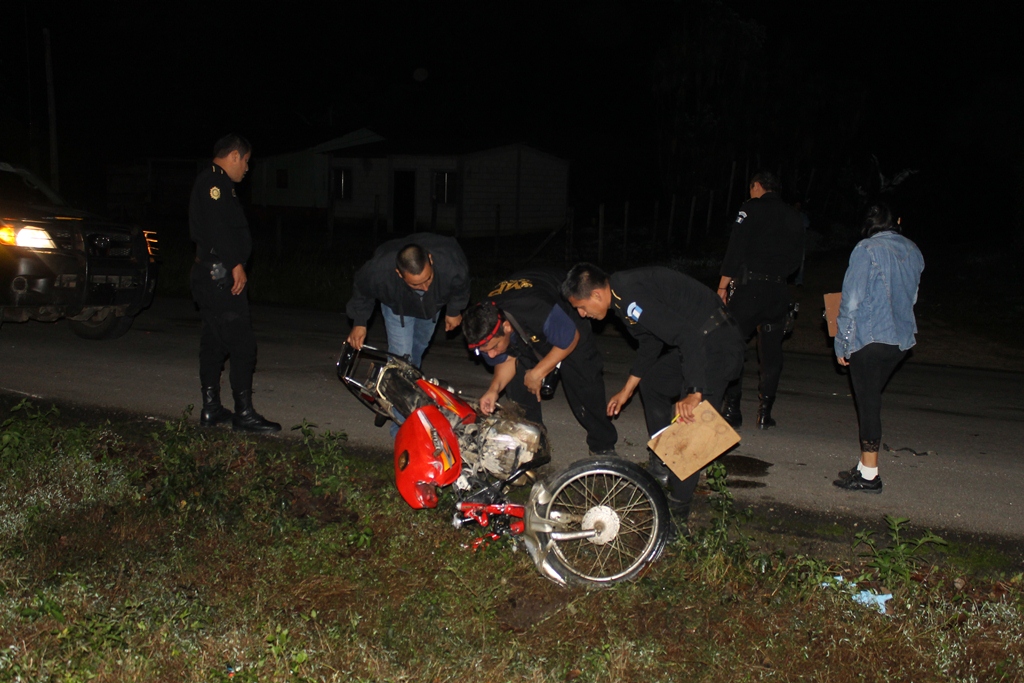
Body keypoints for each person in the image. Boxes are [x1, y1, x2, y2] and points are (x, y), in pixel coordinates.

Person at [563, 263, 745, 516]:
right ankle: (662, 459)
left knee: (690, 428)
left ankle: (675, 518)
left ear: (595, 295)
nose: (582, 314)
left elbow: (686, 336)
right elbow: (650, 341)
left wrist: (694, 391)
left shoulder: (628, 294)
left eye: (581, 307)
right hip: (699, 339)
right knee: (653, 383)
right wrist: (627, 389)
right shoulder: (620, 297)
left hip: (718, 344)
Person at [462, 268, 617, 456]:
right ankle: (535, 446)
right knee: (517, 385)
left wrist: (538, 372)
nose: (491, 355)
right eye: (485, 352)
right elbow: (506, 359)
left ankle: (602, 446)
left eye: (494, 348)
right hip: (525, 328)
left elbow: (569, 338)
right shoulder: (484, 327)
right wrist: (493, 390)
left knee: (583, 376)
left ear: (506, 327)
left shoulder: (534, 308)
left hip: (564, 315)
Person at [189, 134, 280, 433]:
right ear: (234, 157)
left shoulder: (216, 183)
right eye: (246, 161)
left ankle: (211, 409)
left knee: (214, 342)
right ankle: (244, 413)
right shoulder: (214, 184)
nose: (247, 168)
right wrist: (235, 263)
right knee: (243, 344)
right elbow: (217, 228)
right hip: (219, 276)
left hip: (213, 273)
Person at [833, 204, 924, 493]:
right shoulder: (913, 251)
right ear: (896, 222)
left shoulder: (866, 249)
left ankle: (870, 475)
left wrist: (842, 342)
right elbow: (912, 297)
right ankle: (863, 466)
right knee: (870, 397)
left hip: (870, 339)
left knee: (869, 404)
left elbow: (852, 300)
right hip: (900, 341)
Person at [717, 171, 805, 430]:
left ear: (757, 186)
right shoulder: (794, 216)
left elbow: (735, 247)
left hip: (749, 289)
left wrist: (722, 286)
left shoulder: (750, 208)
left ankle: (733, 408)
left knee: (732, 344)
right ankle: (765, 412)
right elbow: (796, 260)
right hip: (778, 291)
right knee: (771, 352)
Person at [345, 233, 470, 368]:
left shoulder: (450, 263)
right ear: (399, 273)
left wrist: (454, 310)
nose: (425, 288)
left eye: (428, 278)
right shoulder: (380, 271)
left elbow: (462, 284)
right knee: (401, 353)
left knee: (419, 346)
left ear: (430, 259)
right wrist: (359, 322)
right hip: (398, 305)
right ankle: (396, 383)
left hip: (432, 305)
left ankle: (409, 379)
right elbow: (362, 289)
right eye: (416, 285)